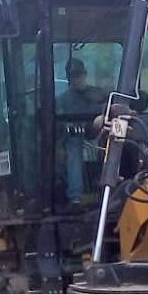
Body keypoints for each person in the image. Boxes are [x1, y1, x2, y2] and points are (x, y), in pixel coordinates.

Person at [56, 58, 109, 206]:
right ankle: (75, 196)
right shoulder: (63, 101)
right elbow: (58, 127)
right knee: (73, 145)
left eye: (79, 75)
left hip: (99, 135)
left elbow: (110, 112)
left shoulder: (98, 94)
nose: (77, 79)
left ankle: (109, 187)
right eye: (73, 76)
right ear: (68, 78)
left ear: (85, 74)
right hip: (76, 137)